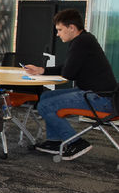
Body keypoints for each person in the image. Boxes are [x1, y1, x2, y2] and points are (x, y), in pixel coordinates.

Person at [24, 9, 116, 160]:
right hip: (97, 95)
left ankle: (76, 142)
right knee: (46, 97)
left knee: (45, 105)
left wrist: (47, 71)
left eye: (60, 30)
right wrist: (42, 70)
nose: (58, 34)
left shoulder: (81, 42)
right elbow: (67, 67)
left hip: (100, 99)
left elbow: (68, 73)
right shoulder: (84, 39)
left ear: (72, 28)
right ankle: (54, 142)